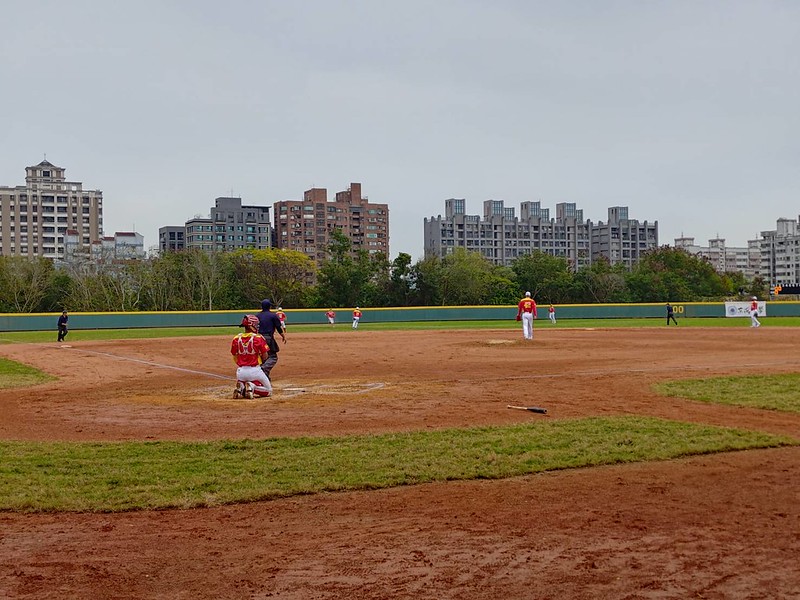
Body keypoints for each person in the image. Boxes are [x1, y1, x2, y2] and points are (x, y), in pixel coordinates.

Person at [230, 315, 272, 399]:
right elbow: (265, 356)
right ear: (251, 325)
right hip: (255, 370)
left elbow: (234, 355)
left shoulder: (236, 338)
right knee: (268, 390)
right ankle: (252, 386)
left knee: (244, 379)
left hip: (240, 372)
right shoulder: (258, 338)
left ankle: (241, 387)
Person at [252, 299, 286, 381]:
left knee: (262, 357)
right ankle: (262, 370)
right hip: (268, 338)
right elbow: (278, 327)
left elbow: (253, 328)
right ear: (270, 306)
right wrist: (283, 336)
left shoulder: (257, 316)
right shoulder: (273, 316)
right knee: (273, 357)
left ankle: (264, 377)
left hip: (257, 338)